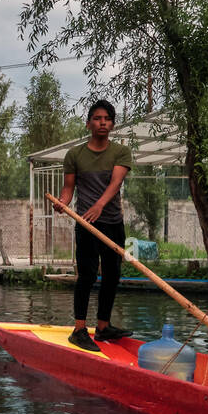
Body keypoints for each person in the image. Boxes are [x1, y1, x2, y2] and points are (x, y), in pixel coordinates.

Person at [54, 100, 133, 352]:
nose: (102, 122)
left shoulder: (121, 152)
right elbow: (68, 190)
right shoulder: (75, 155)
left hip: (112, 223)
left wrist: (99, 206)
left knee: (112, 276)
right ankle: (79, 330)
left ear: (112, 123)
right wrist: (62, 203)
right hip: (86, 224)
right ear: (88, 123)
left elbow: (115, 184)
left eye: (107, 119)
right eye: (97, 118)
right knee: (87, 275)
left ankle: (102, 327)